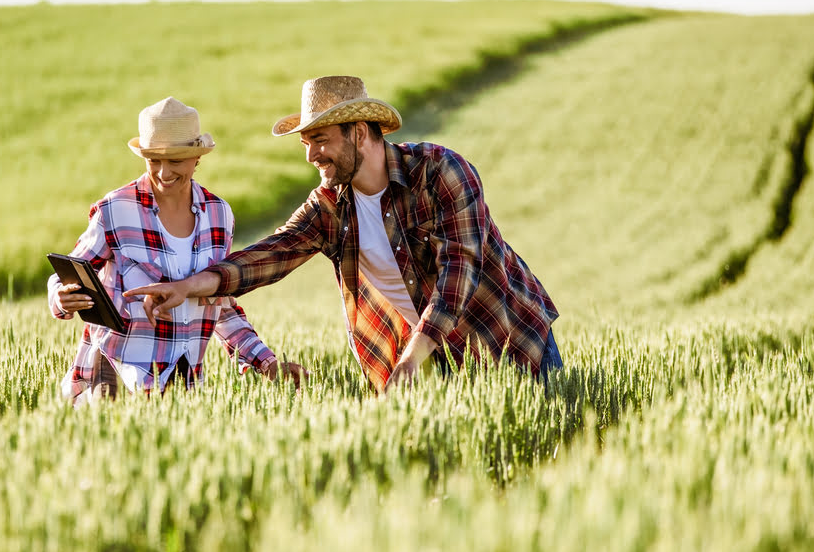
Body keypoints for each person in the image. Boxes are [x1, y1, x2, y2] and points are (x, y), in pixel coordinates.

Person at [124, 76, 560, 393]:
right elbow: (269, 255)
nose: (312, 154)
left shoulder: (440, 171)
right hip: (429, 360)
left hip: (506, 340)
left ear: (359, 133)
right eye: (305, 143)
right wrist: (187, 287)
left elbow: (458, 275)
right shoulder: (330, 205)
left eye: (321, 139)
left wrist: (411, 361)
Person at [48, 97, 306, 405]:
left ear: (197, 158)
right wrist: (61, 297)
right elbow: (68, 273)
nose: (163, 172)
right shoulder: (115, 210)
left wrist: (267, 363)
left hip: (182, 385)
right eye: (154, 160)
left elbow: (220, 302)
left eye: (175, 160)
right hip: (113, 381)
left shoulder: (218, 215)